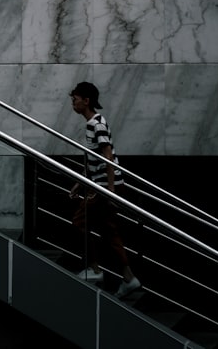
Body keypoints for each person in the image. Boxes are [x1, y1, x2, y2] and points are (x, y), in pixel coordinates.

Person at [67, 81, 141, 298]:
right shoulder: (92, 123)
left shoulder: (96, 124)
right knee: (109, 232)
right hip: (100, 184)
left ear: (86, 101)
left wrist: (109, 191)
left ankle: (94, 269)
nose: (73, 103)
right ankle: (129, 278)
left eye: (76, 99)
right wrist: (79, 182)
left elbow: (107, 156)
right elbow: (94, 161)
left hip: (104, 186)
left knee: (80, 222)